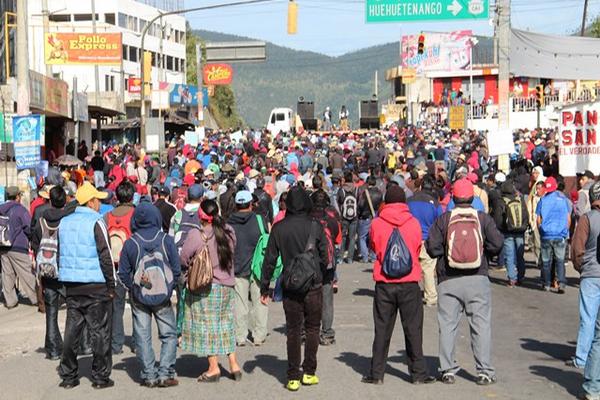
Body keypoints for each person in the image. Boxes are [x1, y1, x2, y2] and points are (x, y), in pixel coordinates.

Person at [426, 178, 504, 386]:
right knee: (480, 326)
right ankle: (484, 371)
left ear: (452, 197)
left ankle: (447, 370)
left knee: (447, 325)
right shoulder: (482, 219)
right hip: (478, 278)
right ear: (472, 197)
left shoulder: (444, 219)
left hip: (448, 279)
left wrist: (447, 253)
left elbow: (431, 247)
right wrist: (482, 250)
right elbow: (497, 243)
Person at [362, 185, 436, 385]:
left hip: (384, 282)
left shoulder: (377, 223)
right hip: (409, 282)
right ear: (404, 201)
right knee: (413, 329)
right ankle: (418, 373)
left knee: (382, 329)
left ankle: (377, 373)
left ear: (386, 201)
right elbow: (416, 247)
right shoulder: (413, 223)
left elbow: (374, 247)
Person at [260, 186, 329, 392]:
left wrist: (265, 287)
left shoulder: (279, 228)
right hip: (313, 284)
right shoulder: (315, 226)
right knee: (313, 328)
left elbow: (269, 260)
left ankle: (292, 376)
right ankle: (308, 372)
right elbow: (325, 256)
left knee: (293, 330)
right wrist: (318, 272)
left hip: (290, 284)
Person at [57, 182, 115, 389]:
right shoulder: (96, 222)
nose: (99, 203)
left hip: (72, 285)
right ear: (91, 202)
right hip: (95, 285)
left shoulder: (65, 222)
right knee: (99, 332)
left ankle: (68, 376)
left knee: (72, 330)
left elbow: (60, 253)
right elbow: (106, 255)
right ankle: (100, 377)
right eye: (98, 200)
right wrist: (112, 285)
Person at [118, 202, 181, 388]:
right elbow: (176, 270)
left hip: (139, 297)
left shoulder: (131, 243)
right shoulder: (165, 240)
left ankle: (149, 375)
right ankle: (165, 373)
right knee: (168, 335)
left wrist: (134, 288)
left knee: (142, 336)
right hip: (162, 296)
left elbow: (123, 273)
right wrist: (168, 287)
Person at [179, 199, 242, 383]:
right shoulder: (229, 232)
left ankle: (214, 368)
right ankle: (234, 364)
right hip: (227, 286)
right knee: (226, 324)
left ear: (201, 216)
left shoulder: (196, 235)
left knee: (207, 326)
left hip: (206, 286)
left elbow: (184, 258)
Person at [31, 186, 77, 360]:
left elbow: (35, 243)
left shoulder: (41, 220)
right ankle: (72, 348)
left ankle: (53, 350)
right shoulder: (68, 220)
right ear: (64, 200)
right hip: (66, 270)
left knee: (51, 314)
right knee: (73, 313)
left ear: (49, 200)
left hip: (48, 271)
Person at [228, 190, 269, 347]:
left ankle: (240, 336)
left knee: (240, 303)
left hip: (237, 267)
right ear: (251, 204)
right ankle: (259, 335)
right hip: (258, 267)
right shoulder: (259, 220)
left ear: (237, 205)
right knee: (260, 301)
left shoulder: (229, 223)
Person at [310, 190, 341, 345]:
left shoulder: (306, 220)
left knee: (306, 298)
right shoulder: (332, 221)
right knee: (327, 299)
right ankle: (327, 333)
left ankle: (306, 331)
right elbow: (337, 240)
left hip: (309, 264)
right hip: (327, 265)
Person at [407, 175, 443, 307]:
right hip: (428, 239)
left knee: (411, 268)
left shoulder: (410, 200)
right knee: (428, 269)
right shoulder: (435, 203)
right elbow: (440, 222)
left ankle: (411, 295)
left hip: (411, 238)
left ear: (420, 186)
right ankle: (431, 297)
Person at [0, 186, 37, 309]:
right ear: (17, 197)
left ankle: (10, 301)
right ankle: (36, 298)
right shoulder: (20, 209)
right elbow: (28, 226)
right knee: (27, 273)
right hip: (18, 246)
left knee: (7, 274)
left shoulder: (1, 209)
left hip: (3, 246)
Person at [536, 176, 570, 293]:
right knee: (560, 261)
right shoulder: (563, 200)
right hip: (560, 234)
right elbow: (568, 218)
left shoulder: (542, 200)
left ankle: (546, 284)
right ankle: (561, 284)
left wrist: (541, 231)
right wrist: (565, 231)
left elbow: (538, 219)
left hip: (546, 235)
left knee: (546, 261)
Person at [498, 181, 529, 287]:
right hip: (520, 231)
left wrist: (502, 229)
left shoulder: (502, 201)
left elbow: (499, 219)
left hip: (508, 232)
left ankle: (512, 279)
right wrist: (524, 227)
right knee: (520, 255)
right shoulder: (519, 199)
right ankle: (521, 276)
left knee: (510, 256)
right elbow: (526, 215)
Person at [357, 176, 383, 264]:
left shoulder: (365, 193)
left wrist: (359, 214)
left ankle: (364, 257)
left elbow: (360, 204)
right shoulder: (379, 193)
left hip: (365, 217)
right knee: (373, 236)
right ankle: (373, 256)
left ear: (368, 183)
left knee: (362, 237)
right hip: (376, 216)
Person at [338, 171, 359, 264]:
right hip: (354, 217)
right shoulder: (356, 190)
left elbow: (338, 203)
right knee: (352, 237)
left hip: (344, 217)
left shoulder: (341, 190)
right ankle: (350, 258)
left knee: (343, 237)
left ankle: (340, 257)